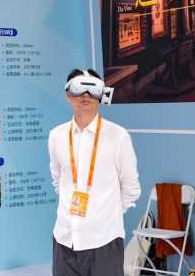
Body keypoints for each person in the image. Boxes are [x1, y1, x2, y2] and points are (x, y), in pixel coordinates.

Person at [49, 68, 140, 276]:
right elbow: (58, 179)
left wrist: (106, 214)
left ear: (101, 94)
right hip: (64, 239)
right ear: (68, 95)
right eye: (78, 89)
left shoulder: (118, 136)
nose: (86, 95)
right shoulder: (56, 136)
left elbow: (131, 188)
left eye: (92, 89)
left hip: (104, 241)